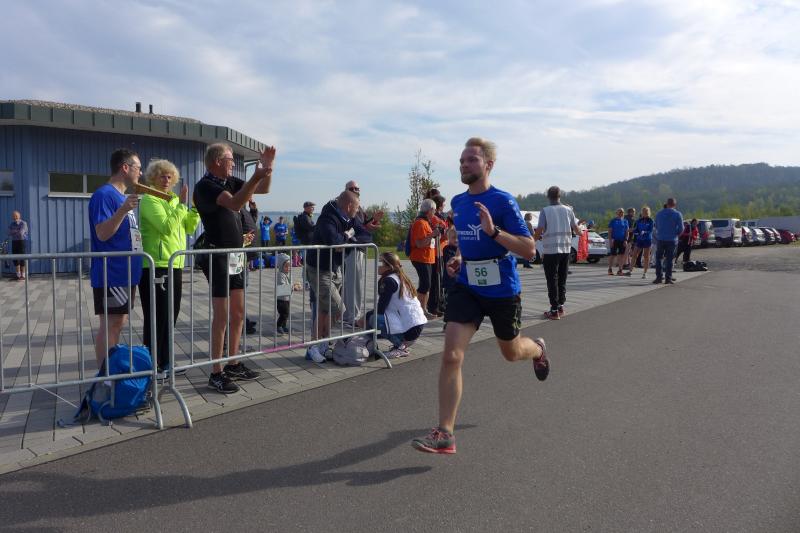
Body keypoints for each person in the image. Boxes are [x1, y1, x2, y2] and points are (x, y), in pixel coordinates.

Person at [412, 137, 549, 455]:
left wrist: (494, 232)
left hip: (502, 289)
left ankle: (538, 349)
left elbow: (529, 250)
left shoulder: (503, 201)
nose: (464, 165)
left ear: (488, 165)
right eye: (461, 160)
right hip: (467, 286)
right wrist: (460, 258)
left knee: (511, 352)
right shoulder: (459, 203)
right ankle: (445, 433)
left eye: (471, 159)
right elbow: (466, 241)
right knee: (451, 355)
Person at [193, 142, 274, 393]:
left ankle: (233, 363)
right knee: (222, 316)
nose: (233, 164)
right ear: (217, 161)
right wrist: (255, 176)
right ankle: (216, 372)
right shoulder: (206, 186)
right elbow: (236, 203)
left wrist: (268, 168)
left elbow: (263, 189)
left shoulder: (229, 180)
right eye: (230, 159)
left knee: (237, 314)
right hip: (218, 255)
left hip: (235, 256)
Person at [138, 159, 200, 371]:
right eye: (161, 176)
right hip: (156, 265)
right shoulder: (150, 200)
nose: (166, 180)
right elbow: (166, 227)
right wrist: (181, 205)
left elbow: (189, 228)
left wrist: (194, 209)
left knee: (170, 315)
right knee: (157, 317)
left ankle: (165, 361)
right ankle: (151, 363)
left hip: (175, 264)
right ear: (152, 178)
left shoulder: (173, 200)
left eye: (169, 176)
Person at [88, 149, 143, 368]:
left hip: (125, 272)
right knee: (111, 324)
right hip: (112, 272)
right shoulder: (104, 195)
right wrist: (122, 210)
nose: (141, 173)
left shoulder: (121, 197)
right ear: (125, 168)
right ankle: (106, 377)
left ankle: (110, 373)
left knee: (118, 323)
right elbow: (102, 233)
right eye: (138, 168)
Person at [304, 190, 360, 363]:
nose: (357, 211)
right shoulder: (328, 217)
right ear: (349, 206)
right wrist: (348, 235)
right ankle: (314, 346)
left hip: (335, 268)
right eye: (356, 207)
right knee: (338, 308)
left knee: (324, 309)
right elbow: (334, 241)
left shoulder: (347, 219)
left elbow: (362, 234)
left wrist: (348, 238)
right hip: (320, 269)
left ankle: (321, 345)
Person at [364, 252, 427, 358]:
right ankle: (370, 345)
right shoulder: (398, 276)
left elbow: (381, 309)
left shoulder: (389, 280)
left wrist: (365, 317)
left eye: (381, 263)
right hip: (416, 325)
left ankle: (401, 347)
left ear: (389, 267)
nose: (379, 266)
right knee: (372, 319)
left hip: (410, 329)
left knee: (373, 319)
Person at [534, 186, 580, 319]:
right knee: (562, 278)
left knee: (552, 279)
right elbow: (577, 230)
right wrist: (582, 232)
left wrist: (531, 241)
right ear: (560, 196)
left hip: (550, 250)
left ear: (548, 196)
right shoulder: (568, 210)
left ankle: (554, 310)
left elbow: (539, 230)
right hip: (565, 249)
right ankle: (560, 306)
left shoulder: (545, 211)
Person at [342, 180, 383, 326]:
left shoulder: (358, 207)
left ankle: (347, 315)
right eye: (352, 188)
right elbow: (354, 228)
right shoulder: (347, 206)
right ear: (346, 191)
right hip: (353, 248)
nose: (356, 190)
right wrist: (367, 226)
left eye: (357, 188)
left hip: (357, 248)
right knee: (354, 284)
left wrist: (373, 221)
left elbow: (362, 226)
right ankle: (353, 317)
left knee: (350, 283)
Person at [408, 198, 439, 319]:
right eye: (434, 210)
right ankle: (417, 309)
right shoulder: (420, 223)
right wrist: (432, 235)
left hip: (427, 258)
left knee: (426, 285)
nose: (435, 213)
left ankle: (422, 309)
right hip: (420, 258)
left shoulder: (425, 222)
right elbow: (419, 243)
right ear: (430, 210)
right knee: (425, 285)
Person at [653, 197, 684, 285]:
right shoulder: (678, 214)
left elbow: (656, 226)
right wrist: (676, 234)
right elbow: (681, 228)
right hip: (672, 239)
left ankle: (659, 278)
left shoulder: (659, 213)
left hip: (661, 239)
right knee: (669, 259)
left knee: (658, 258)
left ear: (666, 204)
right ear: (674, 205)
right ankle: (668, 279)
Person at [275, 253, 301, 334]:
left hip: (287, 298)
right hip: (281, 299)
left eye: (289, 266)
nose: (288, 268)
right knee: (284, 313)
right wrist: (293, 287)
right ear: (281, 266)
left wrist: (295, 284)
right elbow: (283, 287)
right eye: (286, 266)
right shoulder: (280, 275)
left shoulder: (289, 274)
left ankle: (284, 326)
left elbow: (290, 284)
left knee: (286, 313)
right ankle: (279, 325)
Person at [630, 206, 654, 279]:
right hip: (639, 239)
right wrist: (633, 231)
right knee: (634, 254)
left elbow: (651, 230)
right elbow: (637, 229)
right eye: (643, 212)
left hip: (647, 240)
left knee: (646, 256)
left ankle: (645, 273)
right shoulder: (639, 220)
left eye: (646, 212)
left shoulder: (651, 220)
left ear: (648, 213)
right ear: (642, 213)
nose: (645, 213)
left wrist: (645, 232)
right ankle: (630, 271)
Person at [607, 208, 630, 276]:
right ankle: (610, 269)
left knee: (621, 255)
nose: (621, 213)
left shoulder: (625, 221)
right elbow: (610, 231)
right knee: (613, 255)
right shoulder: (613, 221)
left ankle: (620, 270)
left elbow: (627, 232)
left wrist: (626, 240)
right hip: (614, 240)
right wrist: (610, 240)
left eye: (622, 212)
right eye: (620, 212)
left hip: (622, 240)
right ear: (616, 213)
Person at [8, 211, 28, 281]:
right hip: (14, 242)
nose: (15, 217)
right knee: (15, 257)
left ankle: (23, 275)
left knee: (22, 257)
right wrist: (17, 230)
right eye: (14, 216)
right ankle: (18, 275)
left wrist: (13, 231)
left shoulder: (23, 223)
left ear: (19, 216)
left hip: (21, 242)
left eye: (16, 216)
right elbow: (8, 233)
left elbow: (21, 233)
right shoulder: (12, 224)